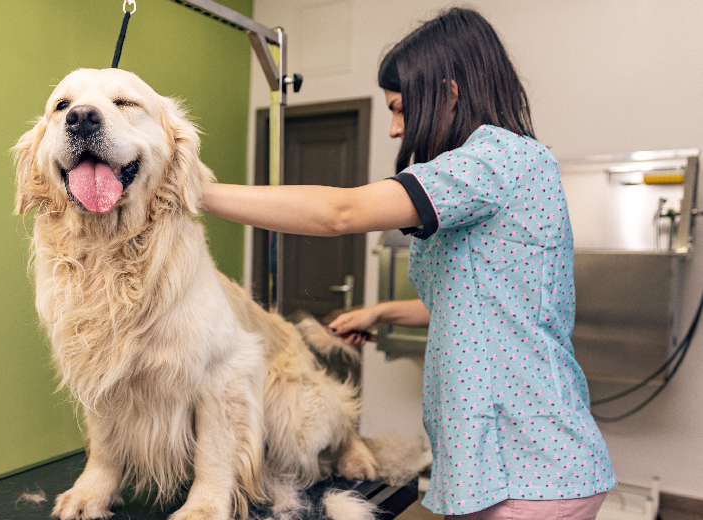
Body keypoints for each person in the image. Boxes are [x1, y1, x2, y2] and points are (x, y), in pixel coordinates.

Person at [201, 7, 617, 520]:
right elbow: (475, 303)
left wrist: (197, 190)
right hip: (507, 466)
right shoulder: (503, 167)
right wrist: (381, 314)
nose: (396, 128)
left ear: (449, 92)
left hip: (531, 466)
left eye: (400, 109)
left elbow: (340, 213)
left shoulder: (498, 160)